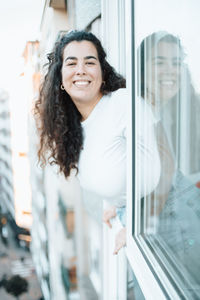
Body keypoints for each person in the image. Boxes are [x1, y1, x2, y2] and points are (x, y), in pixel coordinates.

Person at [34, 30, 160, 254]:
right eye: (71, 63)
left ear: (102, 71)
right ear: (60, 77)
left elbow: (161, 172)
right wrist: (115, 203)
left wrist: (134, 224)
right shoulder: (73, 126)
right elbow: (119, 167)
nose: (81, 70)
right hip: (135, 222)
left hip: (162, 220)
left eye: (90, 62)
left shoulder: (123, 104)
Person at [138, 31, 200, 291]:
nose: (170, 70)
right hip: (164, 244)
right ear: (142, 67)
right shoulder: (137, 114)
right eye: (159, 61)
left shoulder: (171, 112)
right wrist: (136, 226)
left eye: (176, 63)